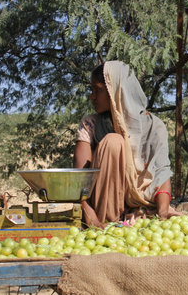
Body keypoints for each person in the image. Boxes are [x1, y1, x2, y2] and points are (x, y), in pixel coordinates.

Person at [73, 61, 180, 228]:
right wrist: (89, 214)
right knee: (113, 141)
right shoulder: (91, 124)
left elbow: (161, 171)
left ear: (116, 91)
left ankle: (132, 218)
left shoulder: (154, 126)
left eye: (98, 90)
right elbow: (79, 180)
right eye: (91, 90)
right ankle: (110, 222)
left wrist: (164, 211)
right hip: (102, 212)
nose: (92, 96)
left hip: (141, 207)